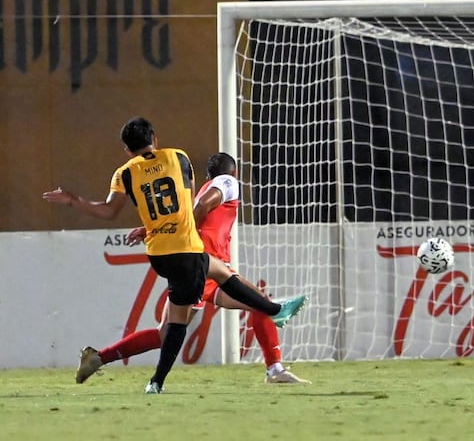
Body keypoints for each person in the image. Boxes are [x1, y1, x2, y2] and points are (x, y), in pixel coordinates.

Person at [43, 117, 306, 393]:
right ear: (154, 138)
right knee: (239, 299)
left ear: (126, 150)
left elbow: (115, 211)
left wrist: (76, 201)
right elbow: (194, 208)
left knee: (167, 331)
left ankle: (100, 358)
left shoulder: (125, 172)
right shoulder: (194, 166)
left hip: (168, 255)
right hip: (193, 260)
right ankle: (274, 329)